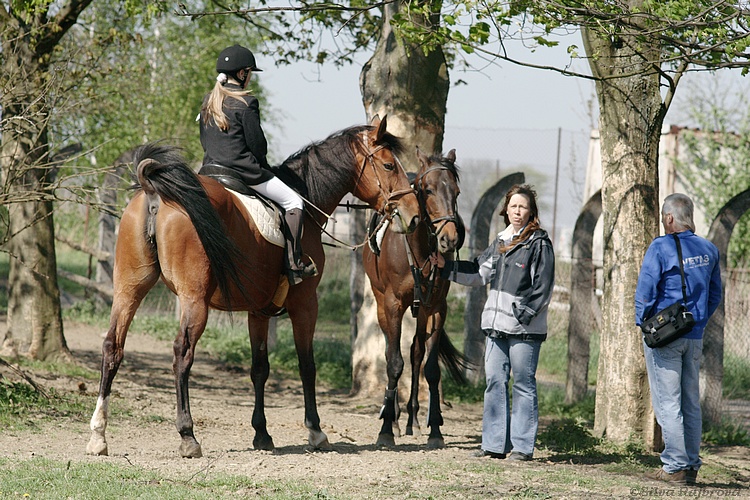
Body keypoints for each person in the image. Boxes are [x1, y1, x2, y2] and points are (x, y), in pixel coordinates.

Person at [431, 184, 555, 461]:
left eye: (523, 207)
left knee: (523, 385)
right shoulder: (500, 242)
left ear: (531, 211)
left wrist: (522, 315)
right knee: (495, 384)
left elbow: (543, 289)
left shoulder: (539, 244)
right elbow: (478, 272)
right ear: (506, 210)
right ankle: (494, 445)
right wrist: (445, 267)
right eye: (513, 206)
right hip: (496, 329)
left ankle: (522, 447)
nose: (517, 211)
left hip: (524, 331)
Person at [199, 44, 317, 284]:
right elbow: (258, 146)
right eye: (249, 72)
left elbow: (204, 140)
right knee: (293, 201)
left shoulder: (207, 102)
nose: (249, 76)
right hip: (243, 173)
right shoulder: (246, 102)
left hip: (209, 171)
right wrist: (265, 169)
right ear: (243, 74)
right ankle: (294, 265)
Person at [635, 193, 722, 485]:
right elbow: (714, 295)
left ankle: (674, 466)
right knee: (690, 403)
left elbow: (646, 291)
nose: (663, 222)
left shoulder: (660, 247)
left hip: (666, 337)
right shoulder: (709, 249)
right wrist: (697, 322)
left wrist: (642, 323)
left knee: (668, 404)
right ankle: (692, 465)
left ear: (669, 218)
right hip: (694, 335)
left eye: (663, 217)